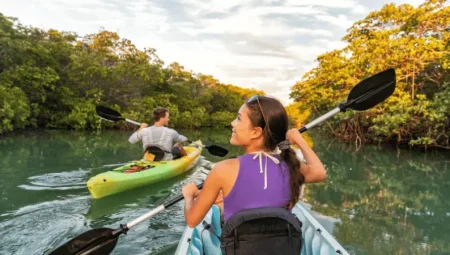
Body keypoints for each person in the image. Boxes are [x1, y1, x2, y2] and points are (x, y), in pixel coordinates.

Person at [181, 95, 327, 228]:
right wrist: (300, 141)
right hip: (280, 246)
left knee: (220, 204)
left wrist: (189, 195)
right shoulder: (291, 165)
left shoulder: (223, 169)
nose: (232, 123)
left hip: (240, 247)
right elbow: (320, 173)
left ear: (256, 132)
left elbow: (192, 221)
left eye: (238, 118)